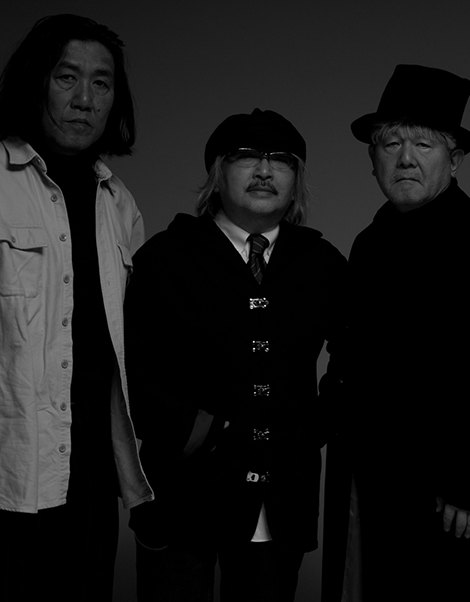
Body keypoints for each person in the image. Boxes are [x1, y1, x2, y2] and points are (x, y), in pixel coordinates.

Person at [322, 64, 470, 602]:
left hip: (442, 490)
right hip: (368, 476)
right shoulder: (369, 242)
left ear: (454, 160)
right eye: (391, 143)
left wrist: (468, 482)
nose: (406, 158)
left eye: (423, 144)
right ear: (372, 159)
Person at [125, 108, 346, 601]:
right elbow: (130, 365)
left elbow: (359, 358)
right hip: (183, 494)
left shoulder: (322, 263)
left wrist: (313, 426)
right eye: (247, 157)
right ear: (217, 173)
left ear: (296, 179)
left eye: (281, 160)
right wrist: (198, 431)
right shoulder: (165, 257)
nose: (265, 171)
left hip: (280, 497)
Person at [0, 14, 149, 600]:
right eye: (67, 77)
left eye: (101, 83)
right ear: (35, 82)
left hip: (89, 463)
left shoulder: (119, 203)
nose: (85, 99)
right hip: (12, 460)